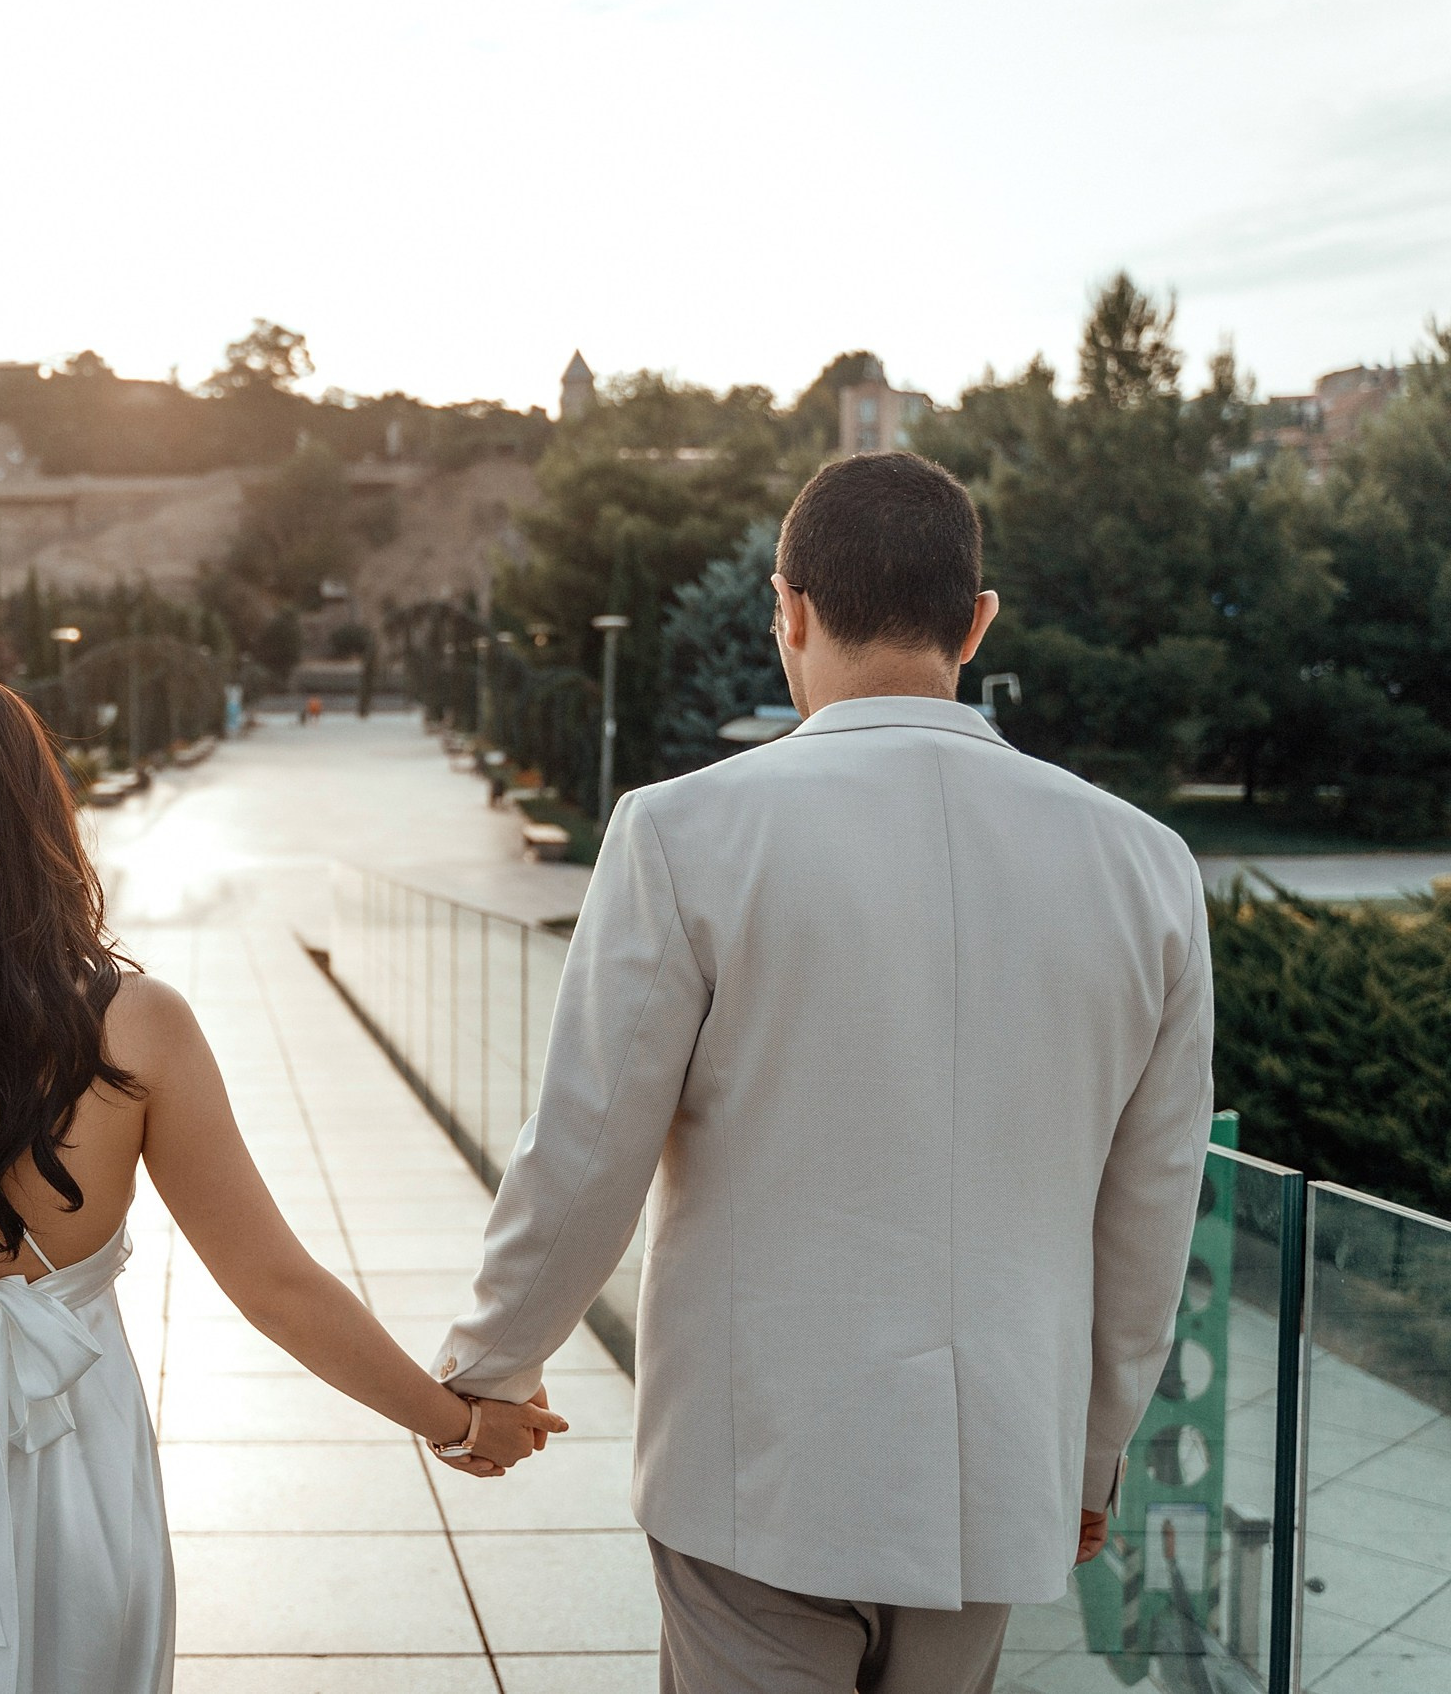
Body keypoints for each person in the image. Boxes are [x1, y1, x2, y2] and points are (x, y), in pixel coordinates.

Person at [436, 452, 1213, 1693]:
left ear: (786, 608)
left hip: (761, 1469)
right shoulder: (1149, 866)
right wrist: (1089, 1454)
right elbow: (1151, 1207)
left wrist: (489, 1368)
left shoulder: (683, 832)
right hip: (996, 1474)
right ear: (975, 621)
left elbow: (588, 1145)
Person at [0, 672, 564, 1694]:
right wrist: (456, 1419)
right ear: (40, 808)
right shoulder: (140, 1021)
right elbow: (275, 1282)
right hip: (76, 1446)